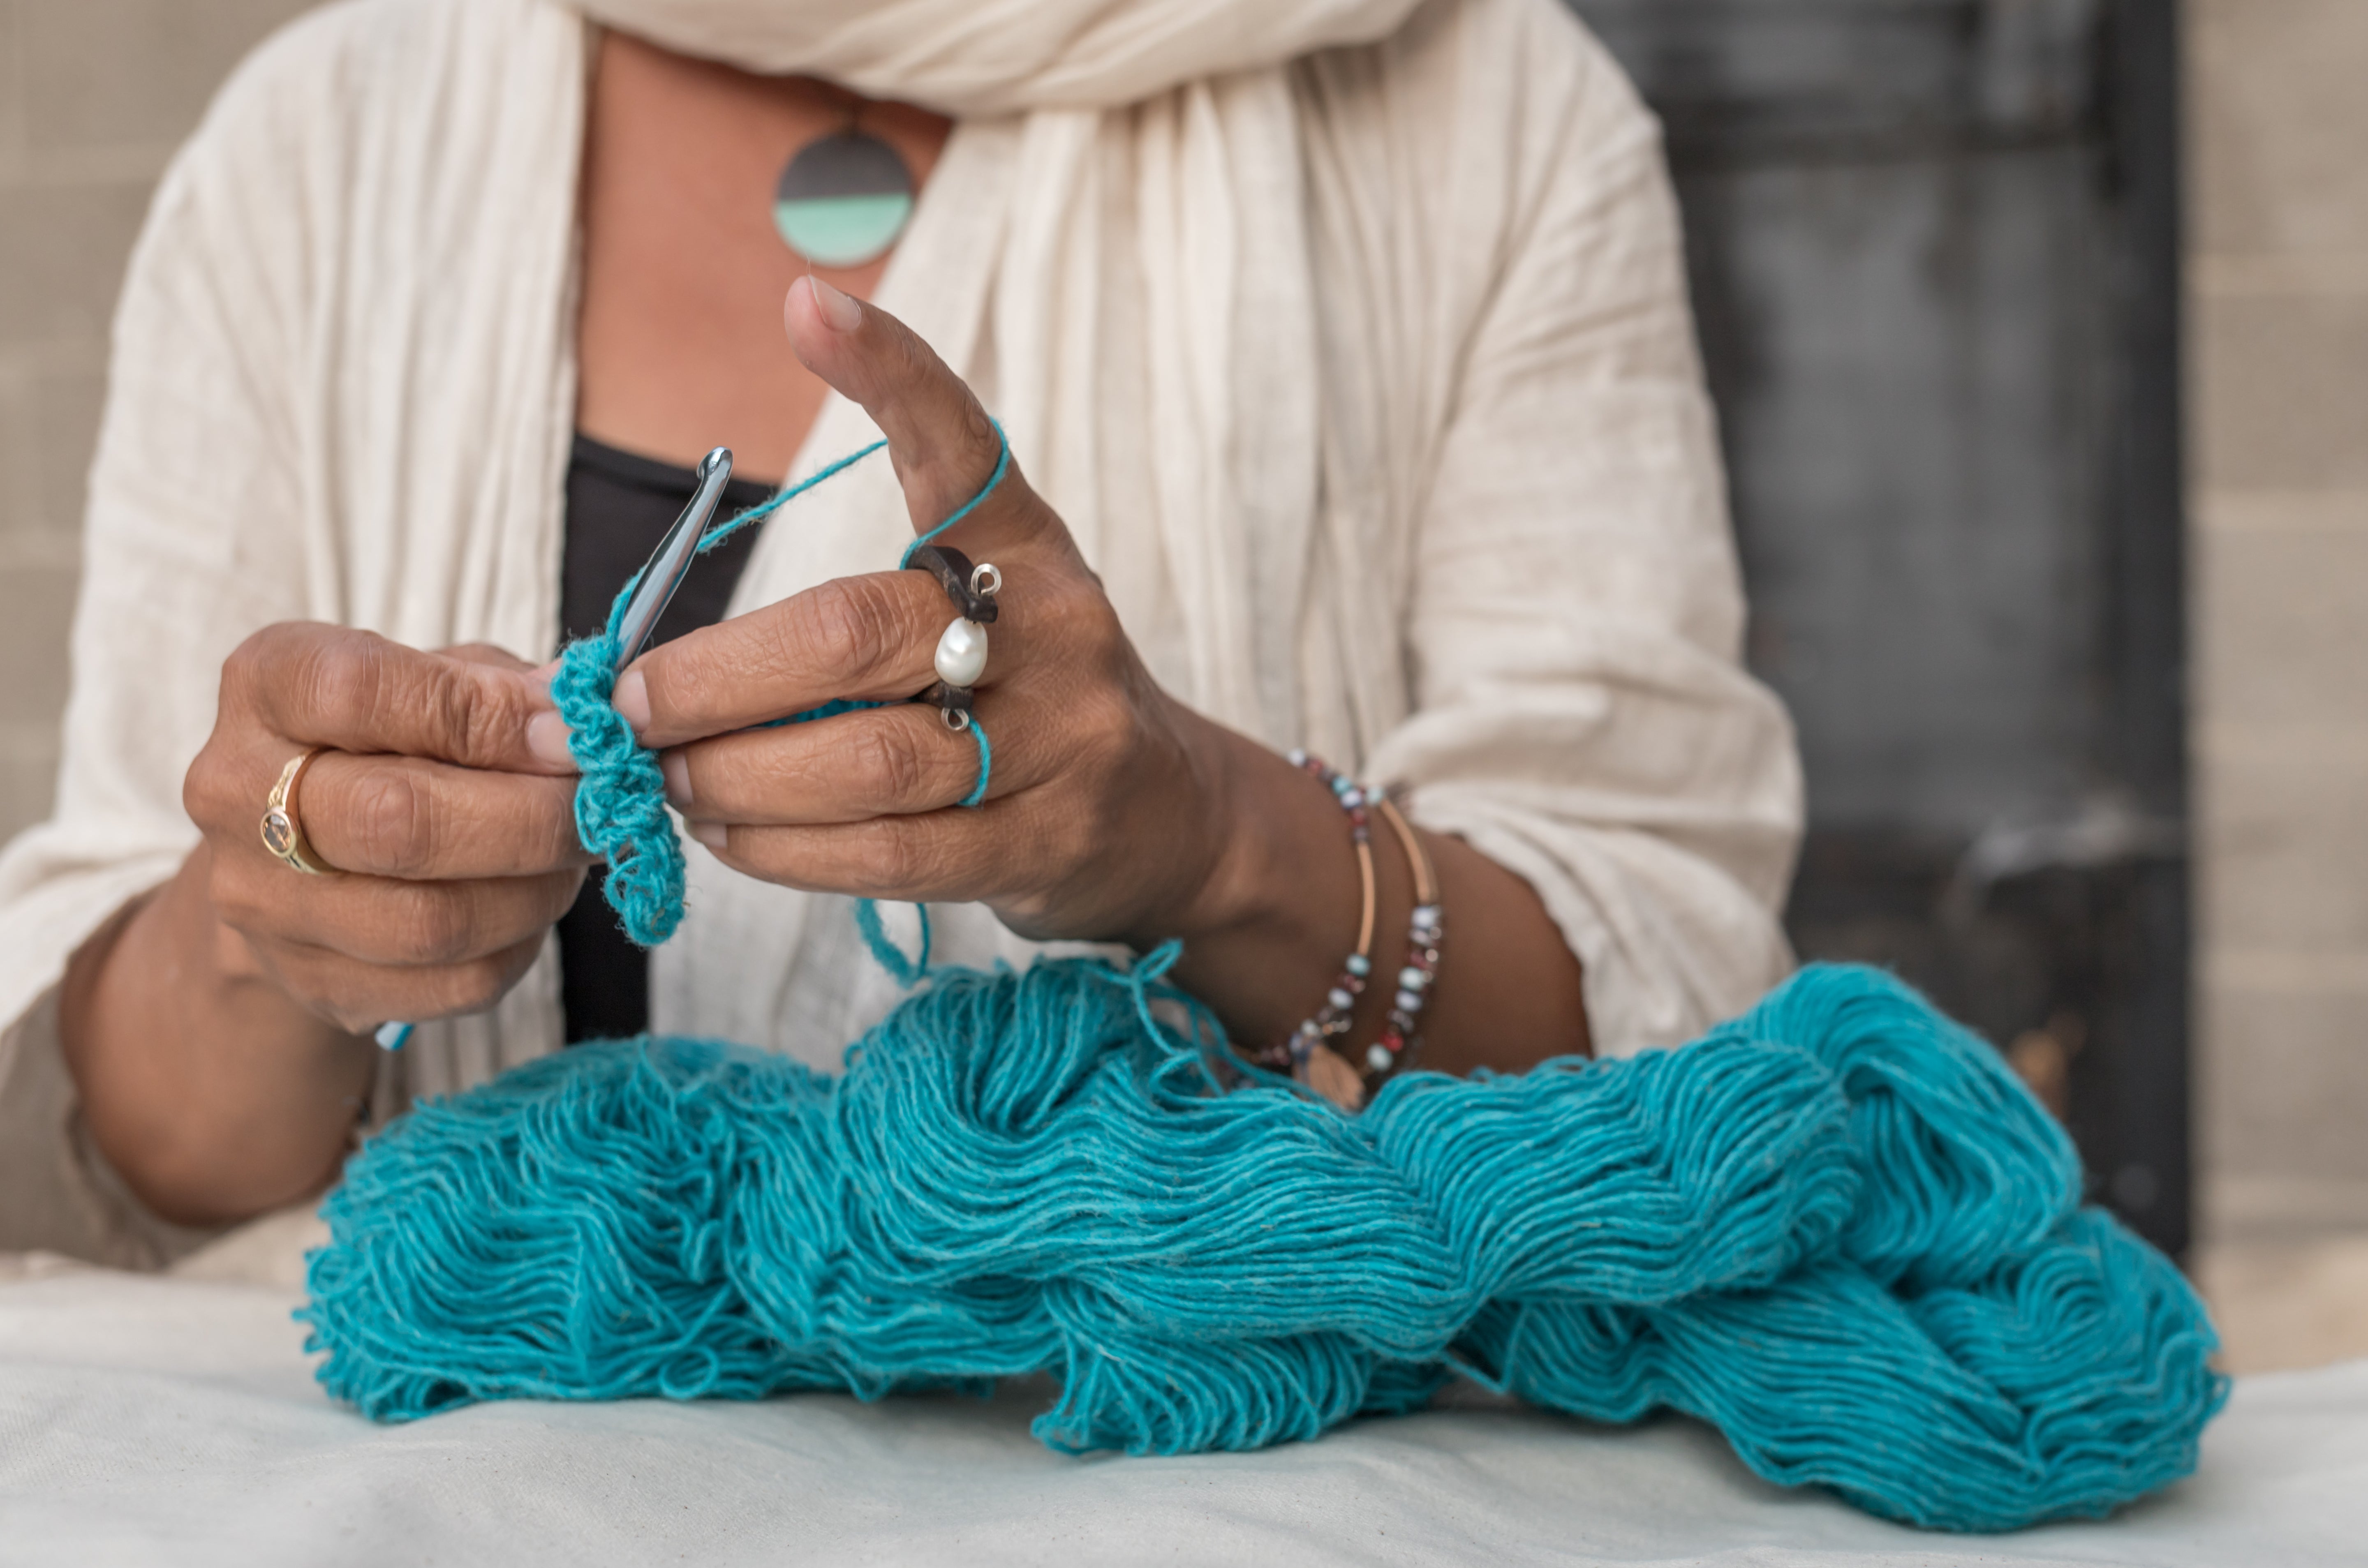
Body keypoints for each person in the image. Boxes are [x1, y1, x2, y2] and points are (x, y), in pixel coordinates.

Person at [0, 0, 1801, 1264]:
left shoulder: (1482, 110)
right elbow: (107, 1162)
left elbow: (1672, 1022)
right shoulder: (323, 146)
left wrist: (1215, 839)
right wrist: (275, 935)